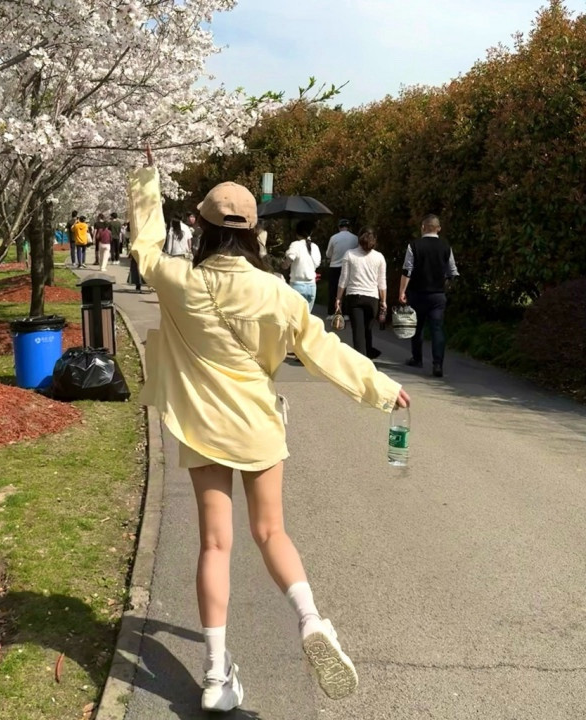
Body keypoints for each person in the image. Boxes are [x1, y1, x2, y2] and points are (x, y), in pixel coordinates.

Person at [129, 148, 410, 712]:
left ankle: (215, 676)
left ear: (202, 227)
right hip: (257, 424)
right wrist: (380, 388)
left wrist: (146, 179)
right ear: (254, 233)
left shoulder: (178, 279)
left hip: (201, 426)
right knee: (271, 533)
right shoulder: (277, 293)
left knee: (215, 543)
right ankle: (310, 620)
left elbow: (145, 245)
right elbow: (324, 350)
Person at [399, 214, 459, 378]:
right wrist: (446, 286)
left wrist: (402, 291)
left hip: (417, 293)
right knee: (437, 329)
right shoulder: (446, 246)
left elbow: (407, 270)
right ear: (438, 228)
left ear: (423, 227)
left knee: (417, 328)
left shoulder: (414, 245)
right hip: (437, 295)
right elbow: (452, 271)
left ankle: (417, 358)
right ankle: (437, 364)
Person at [334, 228, 387, 359]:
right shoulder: (379, 257)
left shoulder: (349, 254)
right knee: (367, 330)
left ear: (359, 239)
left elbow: (343, 279)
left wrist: (338, 298)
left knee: (358, 332)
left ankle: (361, 361)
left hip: (354, 298)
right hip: (372, 299)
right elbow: (382, 282)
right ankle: (368, 356)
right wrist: (383, 301)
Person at [282, 220, 321, 312]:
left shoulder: (295, 245)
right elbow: (317, 263)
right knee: (307, 316)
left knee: (295, 316)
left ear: (297, 233)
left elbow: (290, 258)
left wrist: (284, 264)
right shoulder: (315, 247)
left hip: (297, 285)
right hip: (311, 286)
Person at [325, 219, 358, 319]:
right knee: (347, 290)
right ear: (349, 227)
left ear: (339, 227)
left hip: (335, 266)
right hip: (350, 267)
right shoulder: (355, 238)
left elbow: (328, 254)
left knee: (333, 290)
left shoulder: (334, 238)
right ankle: (347, 313)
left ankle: (332, 313)